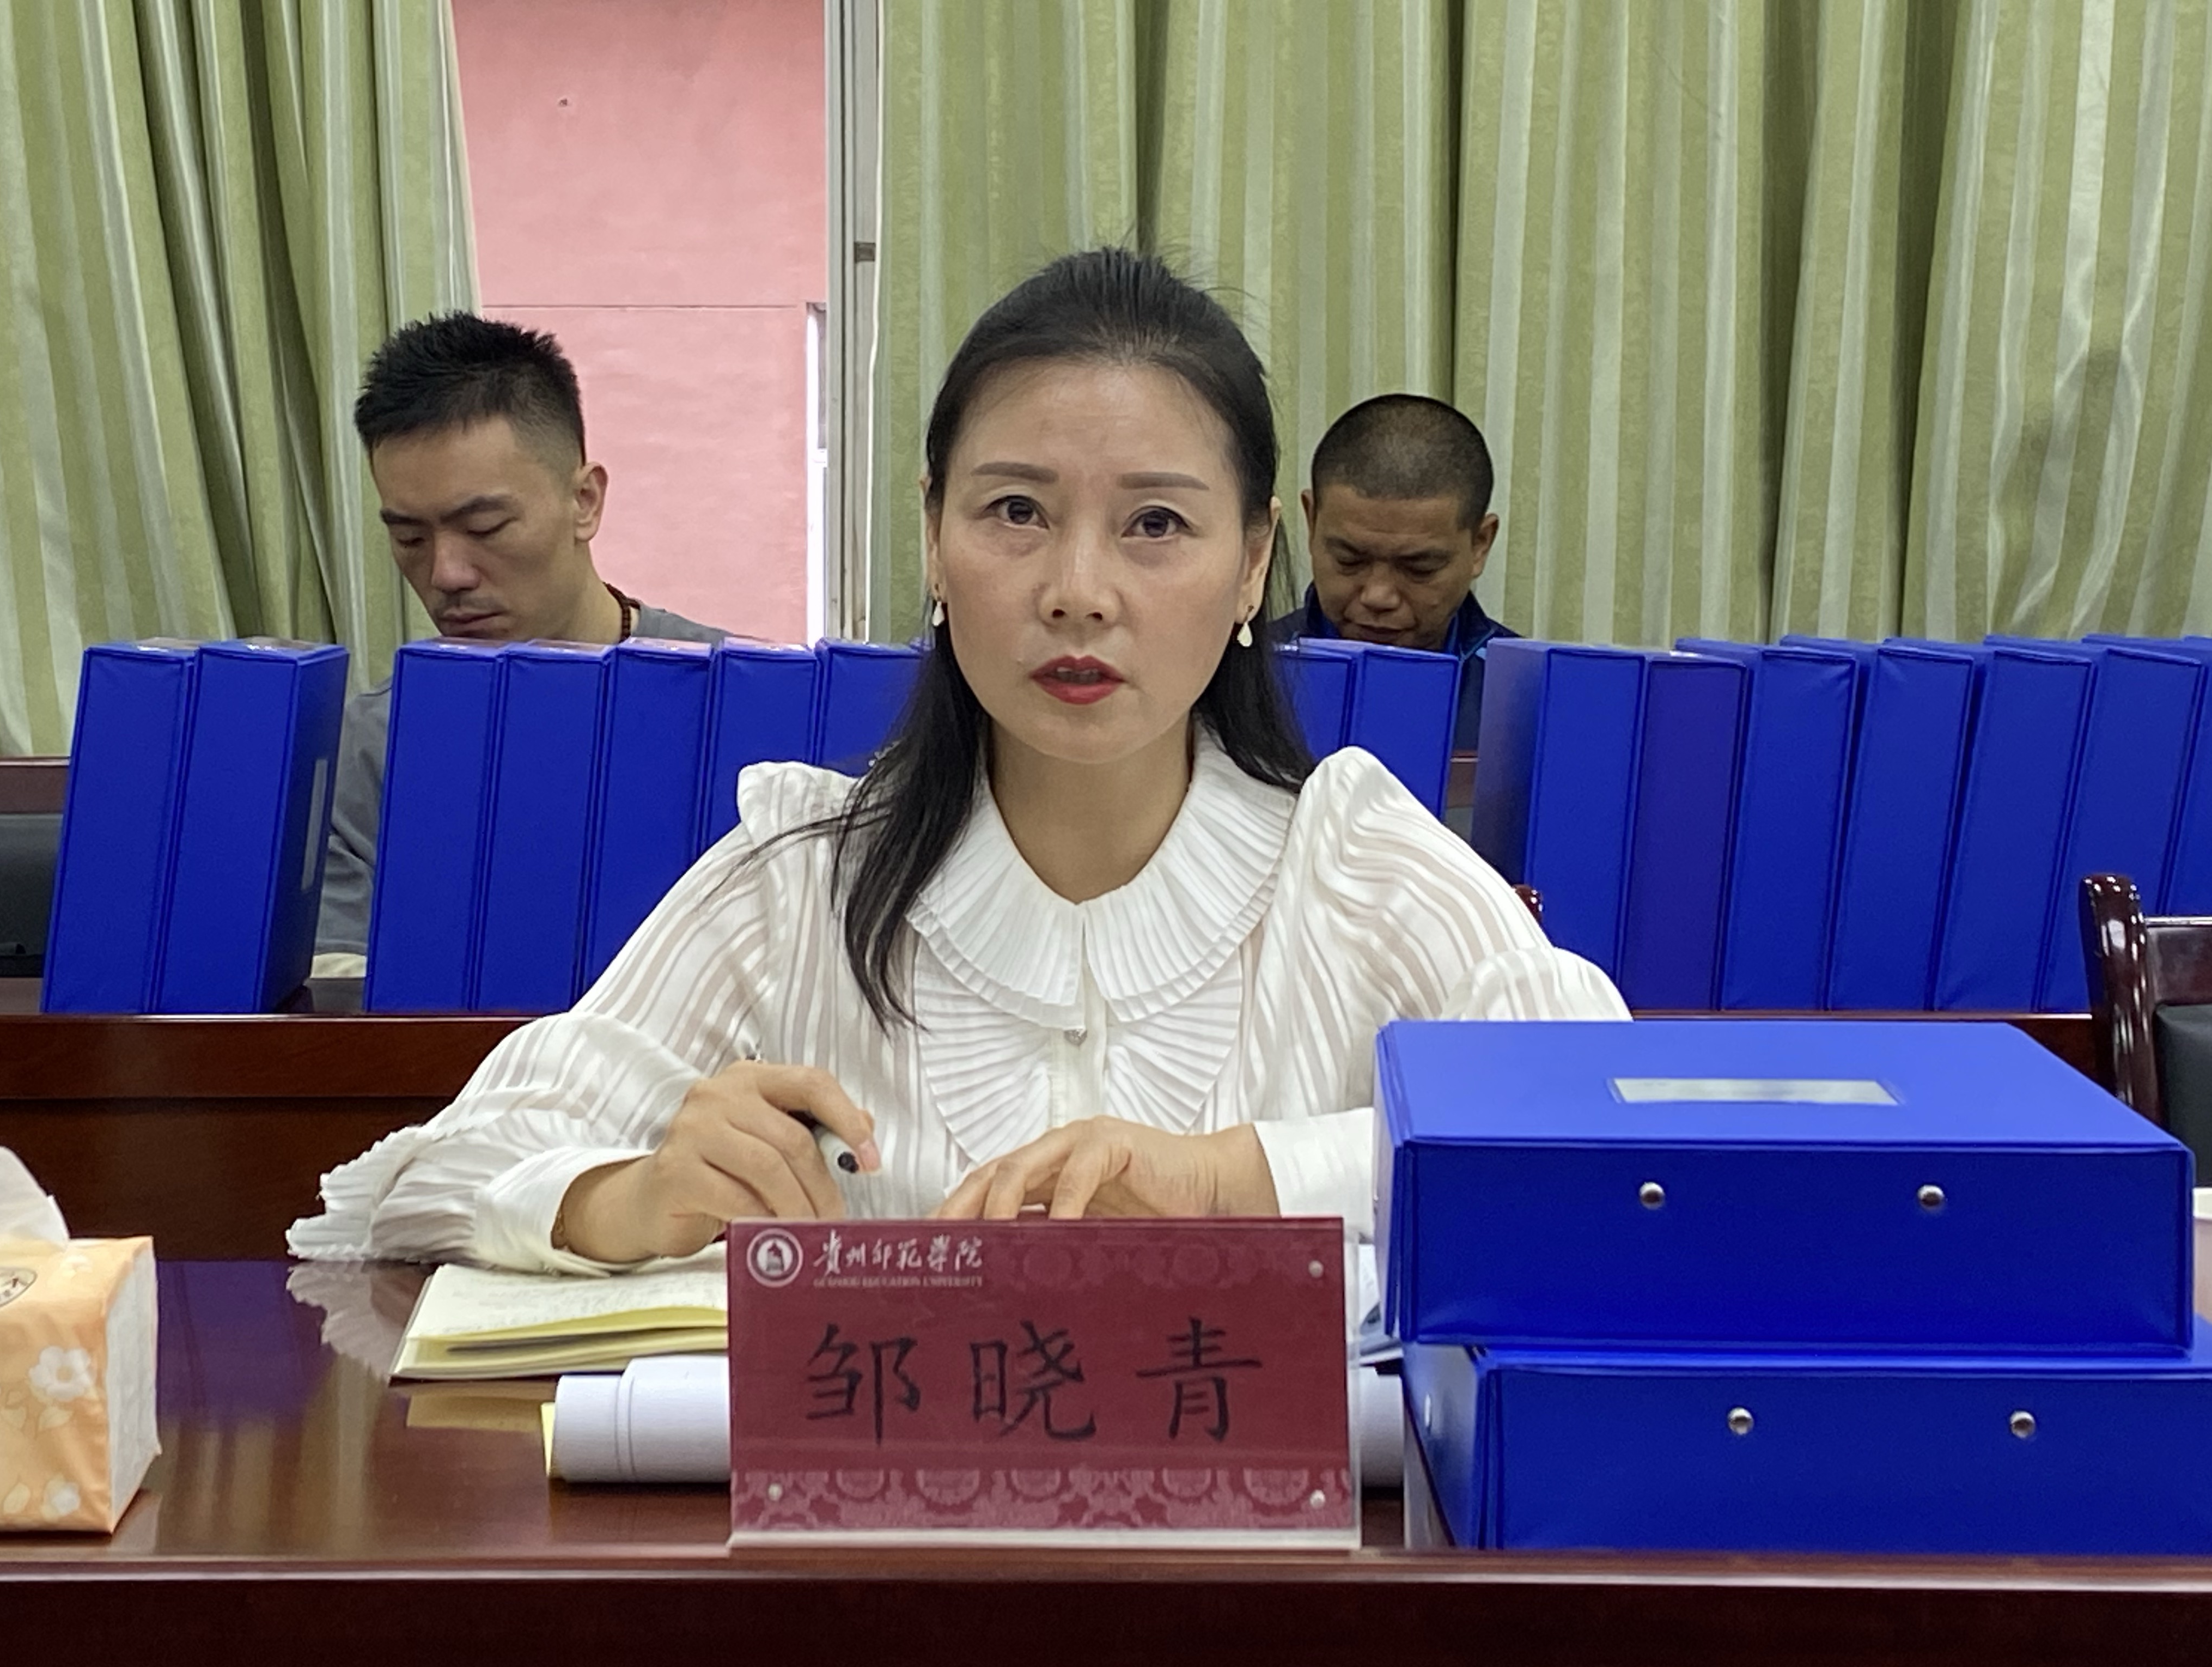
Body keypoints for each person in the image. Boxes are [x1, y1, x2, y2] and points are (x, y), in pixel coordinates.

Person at [289, 250, 1623, 1315]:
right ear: (933, 537)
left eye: (1156, 523)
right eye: (1015, 512)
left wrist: (1232, 1174)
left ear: (1251, 560)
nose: (1077, 591)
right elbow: (424, 1179)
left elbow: (1608, 1143)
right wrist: (628, 1196)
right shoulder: (803, 874)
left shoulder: (1356, 864)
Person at [313, 313, 724, 964]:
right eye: (410, 537)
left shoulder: (735, 706)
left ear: (585, 501)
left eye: (485, 527)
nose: (445, 574)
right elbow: (343, 993)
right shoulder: (366, 751)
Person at [1270, 394, 1515, 749]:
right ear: (1312, 522)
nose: (1378, 596)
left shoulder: (1529, 697)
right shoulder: (1237, 679)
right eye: (1349, 560)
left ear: (1480, 544)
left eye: (1418, 568)